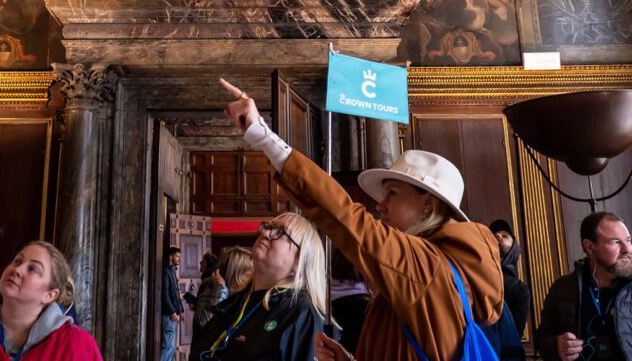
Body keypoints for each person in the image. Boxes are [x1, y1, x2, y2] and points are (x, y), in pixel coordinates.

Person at [219, 78, 503, 361]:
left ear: (427, 204)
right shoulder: (442, 274)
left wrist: (265, 137)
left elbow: (348, 218)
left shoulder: (427, 269)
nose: (380, 205)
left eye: (391, 194)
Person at [0, 241, 102, 360]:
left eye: (33, 269)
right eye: (17, 261)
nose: (17, 269)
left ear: (50, 294)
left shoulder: (75, 345)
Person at [189, 212, 326, 360]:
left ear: (299, 260)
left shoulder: (300, 312)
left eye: (280, 232)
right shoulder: (239, 300)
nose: (265, 233)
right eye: (268, 227)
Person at [535, 212, 632, 361]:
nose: (627, 249)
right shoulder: (562, 288)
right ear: (590, 247)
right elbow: (542, 336)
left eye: (628, 240)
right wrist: (556, 346)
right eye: (615, 242)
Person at [489, 218, 531, 338]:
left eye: (505, 235)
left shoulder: (520, 289)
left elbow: (514, 334)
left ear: (514, 249)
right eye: (495, 234)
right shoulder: (474, 275)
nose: (498, 235)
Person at [161, 246, 184, 361]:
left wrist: (181, 311)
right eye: (177, 256)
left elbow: (175, 294)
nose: (179, 259)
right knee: (168, 346)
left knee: (171, 347)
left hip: (174, 314)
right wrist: (172, 312)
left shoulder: (171, 270)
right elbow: (165, 294)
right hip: (169, 315)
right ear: (171, 256)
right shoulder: (166, 271)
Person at [191, 252, 220, 344]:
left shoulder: (209, 282)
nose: (200, 263)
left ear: (208, 264)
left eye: (202, 261)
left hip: (203, 328)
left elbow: (209, 306)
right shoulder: (208, 280)